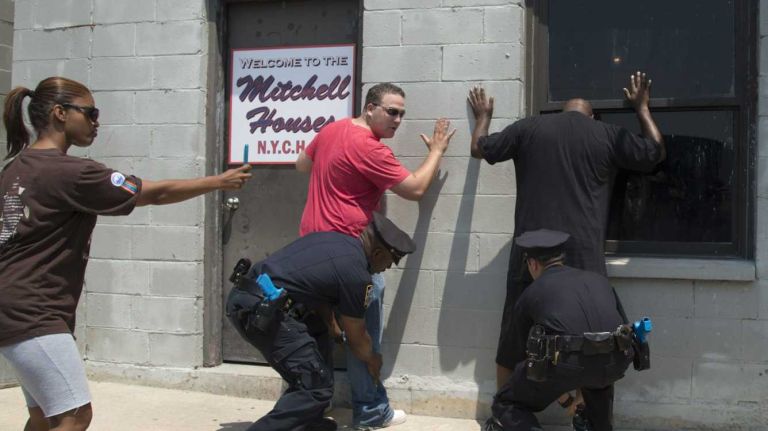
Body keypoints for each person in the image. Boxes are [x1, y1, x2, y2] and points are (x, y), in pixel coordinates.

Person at [0, 76, 252, 431]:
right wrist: (219, 182)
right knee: (74, 415)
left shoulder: (16, 167)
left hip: (12, 305)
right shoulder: (70, 173)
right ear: (59, 113)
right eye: (90, 112)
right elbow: (156, 193)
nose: (96, 121)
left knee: (45, 415)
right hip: (33, 311)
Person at [468, 71, 664, 390]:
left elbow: (479, 148)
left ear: (559, 113)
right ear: (592, 116)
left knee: (514, 335)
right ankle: (584, 412)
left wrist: (483, 118)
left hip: (532, 256)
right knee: (593, 336)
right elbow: (654, 152)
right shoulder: (607, 134)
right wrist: (641, 107)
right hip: (583, 255)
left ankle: (503, 410)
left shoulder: (529, 128)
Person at [295, 82, 455, 429]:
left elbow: (301, 166)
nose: (397, 119)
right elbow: (415, 189)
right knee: (362, 335)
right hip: (349, 255)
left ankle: (308, 406)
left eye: (402, 113)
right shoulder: (371, 149)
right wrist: (437, 151)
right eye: (391, 111)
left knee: (318, 331)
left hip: (308, 250)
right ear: (370, 108)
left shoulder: (331, 130)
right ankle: (370, 411)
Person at [226, 212, 417, 431]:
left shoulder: (335, 241)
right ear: (376, 253)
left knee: (318, 337)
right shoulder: (357, 275)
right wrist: (372, 358)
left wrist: (331, 324)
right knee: (314, 387)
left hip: (248, 299)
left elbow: (313, 286)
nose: (388, 268)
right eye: (390, 261)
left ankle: (307, 422)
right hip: (262, 310)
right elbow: (357, 337)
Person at [483, 229, 634, 431]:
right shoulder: (598, 280)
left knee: (506, 402)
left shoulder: (532, 293)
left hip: (568, 366)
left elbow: (520, 353)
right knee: (599, 377)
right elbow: (622, 324)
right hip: (617, 361)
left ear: (533, 264)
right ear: (561, 258)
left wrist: (563, 398)